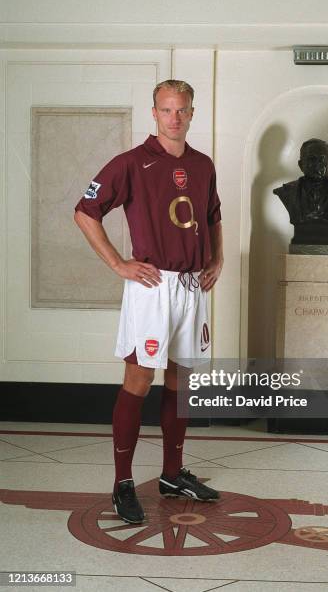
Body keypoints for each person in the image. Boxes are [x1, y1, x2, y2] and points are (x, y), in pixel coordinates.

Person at [74, 79, 223, 525]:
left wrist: (216, 259)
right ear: (154, 113)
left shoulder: (202, 163)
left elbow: (213, 215)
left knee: (182, 381)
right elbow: (85, 211)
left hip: (192, 286)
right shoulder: (132, 163)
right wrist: (119, 263)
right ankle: (122, 483)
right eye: (166, 110)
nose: (174, 118)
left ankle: (172, 474)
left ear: (192, 113)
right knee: (139, 379)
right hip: (152, 286)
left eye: (182, 110)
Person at [273, 138, 328, 245]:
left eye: (322, 159)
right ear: (301, 165)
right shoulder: (287, 192)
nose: (317, 165)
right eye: (311, 159)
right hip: (300, 241)